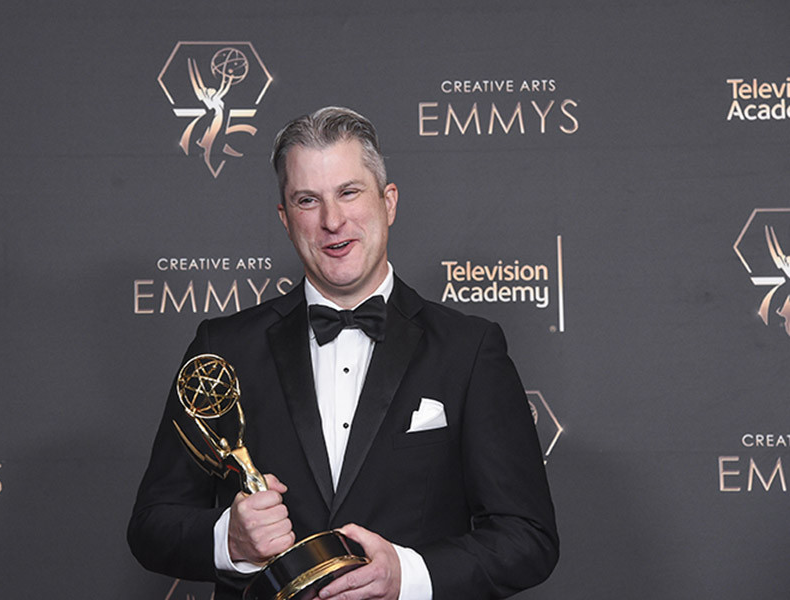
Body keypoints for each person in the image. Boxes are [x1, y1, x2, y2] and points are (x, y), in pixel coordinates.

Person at [128, 106, 559, 599]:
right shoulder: (223, 349)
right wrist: (228, 541)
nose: (332, 221)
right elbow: (151, 527)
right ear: (285, 218)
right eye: (307, 200)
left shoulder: (469, 349)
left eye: (349, 192)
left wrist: (408, 575)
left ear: (388, 201)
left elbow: (529, 537)